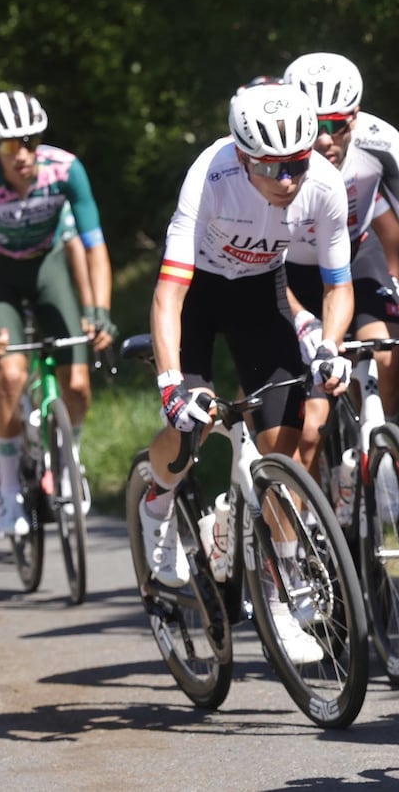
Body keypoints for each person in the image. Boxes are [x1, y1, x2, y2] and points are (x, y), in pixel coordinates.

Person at [138, 82, 354, 663]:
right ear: (241, 155)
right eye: (271, 167)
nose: (287, 180)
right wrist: (170, 385)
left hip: (261, 296)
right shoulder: (209, 176)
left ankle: (284, 598)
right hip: (201, 296)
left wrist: (330, 346)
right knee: (196, 420)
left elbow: (338, 286)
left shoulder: (326, 186)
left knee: (283, 449)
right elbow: (169, 294)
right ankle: (156, 500)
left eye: (297, 164)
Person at [281, 53, 399, 495]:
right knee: (309, 429)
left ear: (357, 115)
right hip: (287, 271)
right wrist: (302, 320)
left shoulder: (380, 140)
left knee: (389, 355)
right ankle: (315, 528)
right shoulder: (282, 155)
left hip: (353, 255)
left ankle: (372, 442)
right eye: (316, 126)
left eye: (339, 125)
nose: (327, 139)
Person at [0, 90, 117, 536]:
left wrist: (99, 309)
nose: (24, 155)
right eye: (12, 145)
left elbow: (93, 245)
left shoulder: (65, 169)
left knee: (76, 382)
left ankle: (69, 459)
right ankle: (9, 486)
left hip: (46, 267)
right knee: (12, 375)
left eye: (31, 141)